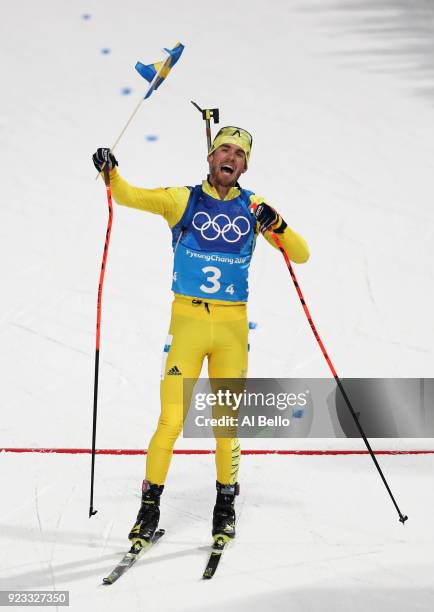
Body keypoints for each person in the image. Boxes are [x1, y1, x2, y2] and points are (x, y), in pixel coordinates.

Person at [92, 126, 309, 546]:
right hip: (188, 326)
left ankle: (225, 505)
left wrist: (277, 224)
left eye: (239, 154)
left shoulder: (255, 207)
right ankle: (148, 509)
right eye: (223, 149)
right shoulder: (182, 200)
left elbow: (300, 253)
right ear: (210, 157)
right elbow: (129, 196)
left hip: (230, 329)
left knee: (225, 425)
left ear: (245, 165)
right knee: (171, 420)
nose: (230, 157)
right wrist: (111, 172)